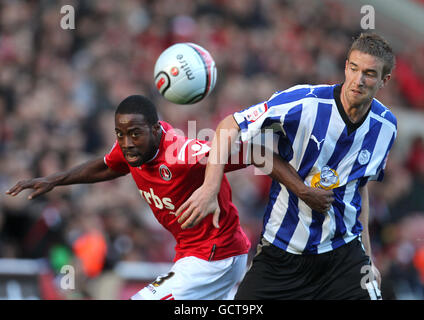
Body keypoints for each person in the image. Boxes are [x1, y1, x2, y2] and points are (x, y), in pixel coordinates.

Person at [5, 94, 330, 300]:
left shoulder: (183, 154)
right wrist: (55, 179)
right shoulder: (129, 151)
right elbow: (107, 166)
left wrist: (302, 190)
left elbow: (260, 153)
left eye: (135, 134)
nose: (127, 143)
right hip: (197, 254)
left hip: (215, 255)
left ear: (157, 130)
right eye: (121, 134)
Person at [176, 32, 397, 300]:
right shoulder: (305, 103)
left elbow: (358, 188)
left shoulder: (386, 127)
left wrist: (368, 258)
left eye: (370, 74)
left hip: (343, 257)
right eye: (353, 68)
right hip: (282, 254)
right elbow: (228, 127)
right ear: (345, 66)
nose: (358, 80)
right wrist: (210, 187)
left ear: (384, 80)